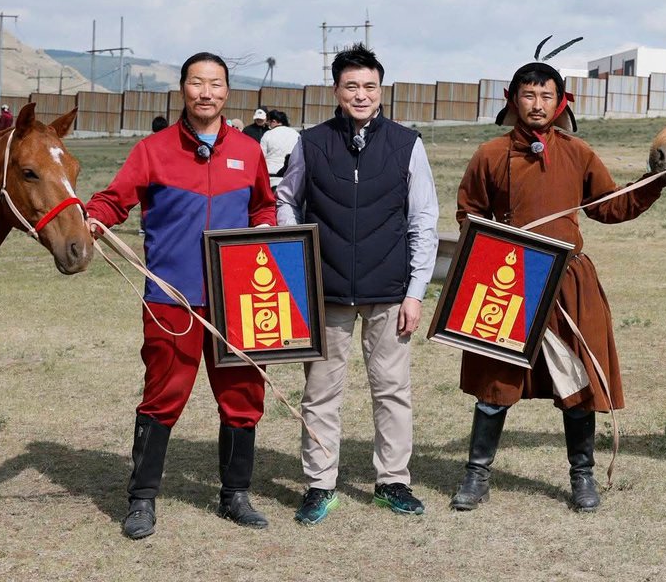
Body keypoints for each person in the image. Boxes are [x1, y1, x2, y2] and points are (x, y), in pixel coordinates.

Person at [449, 47, 666, 514]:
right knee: (496, 381)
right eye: (528, 95)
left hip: (568, 282)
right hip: (510, 282)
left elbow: (609, 206)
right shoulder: (489, 154)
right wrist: (494, 247)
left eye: (546, 96)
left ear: (561, 101)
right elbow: (469, 212)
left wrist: (654, 183)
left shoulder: (578, 152)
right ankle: (476, 475)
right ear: (513, 99)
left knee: (577, 381)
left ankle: (582, 477)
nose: (537, 105)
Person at [85, 52, 277, 539]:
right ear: (183, 90)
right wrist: (96, 216)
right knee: (162, 396)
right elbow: (115, 198)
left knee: (242, 397)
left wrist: (268, 237)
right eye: (196, 83)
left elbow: (263, 208)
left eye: (215, 84)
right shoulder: (154, 150)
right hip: (172, 298)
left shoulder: (249, 152)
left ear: (228, 91)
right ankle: (142, 499)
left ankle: (235, 496)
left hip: (239, 302)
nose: (206, 92)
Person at [276, 45, 438, 525]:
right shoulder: (310, 142)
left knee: (392, 390)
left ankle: (393, 481)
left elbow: (423, 219)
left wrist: (416, 291)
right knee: (320, 393)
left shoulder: (408, 143)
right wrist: (298, 254)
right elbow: (286, 199)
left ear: (380, 91)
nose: (361, 94)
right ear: (336, 91)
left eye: (369, 86)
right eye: (351, 86)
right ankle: (320, 483)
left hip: (390, 292)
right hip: (325, 292)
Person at [260, 109, 300, 189]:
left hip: (270, 175)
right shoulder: (295, 134)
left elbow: (261, 157)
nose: (268, 125)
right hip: (290, 175)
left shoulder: (268, 134)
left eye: (269, 122)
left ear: (274, 121)